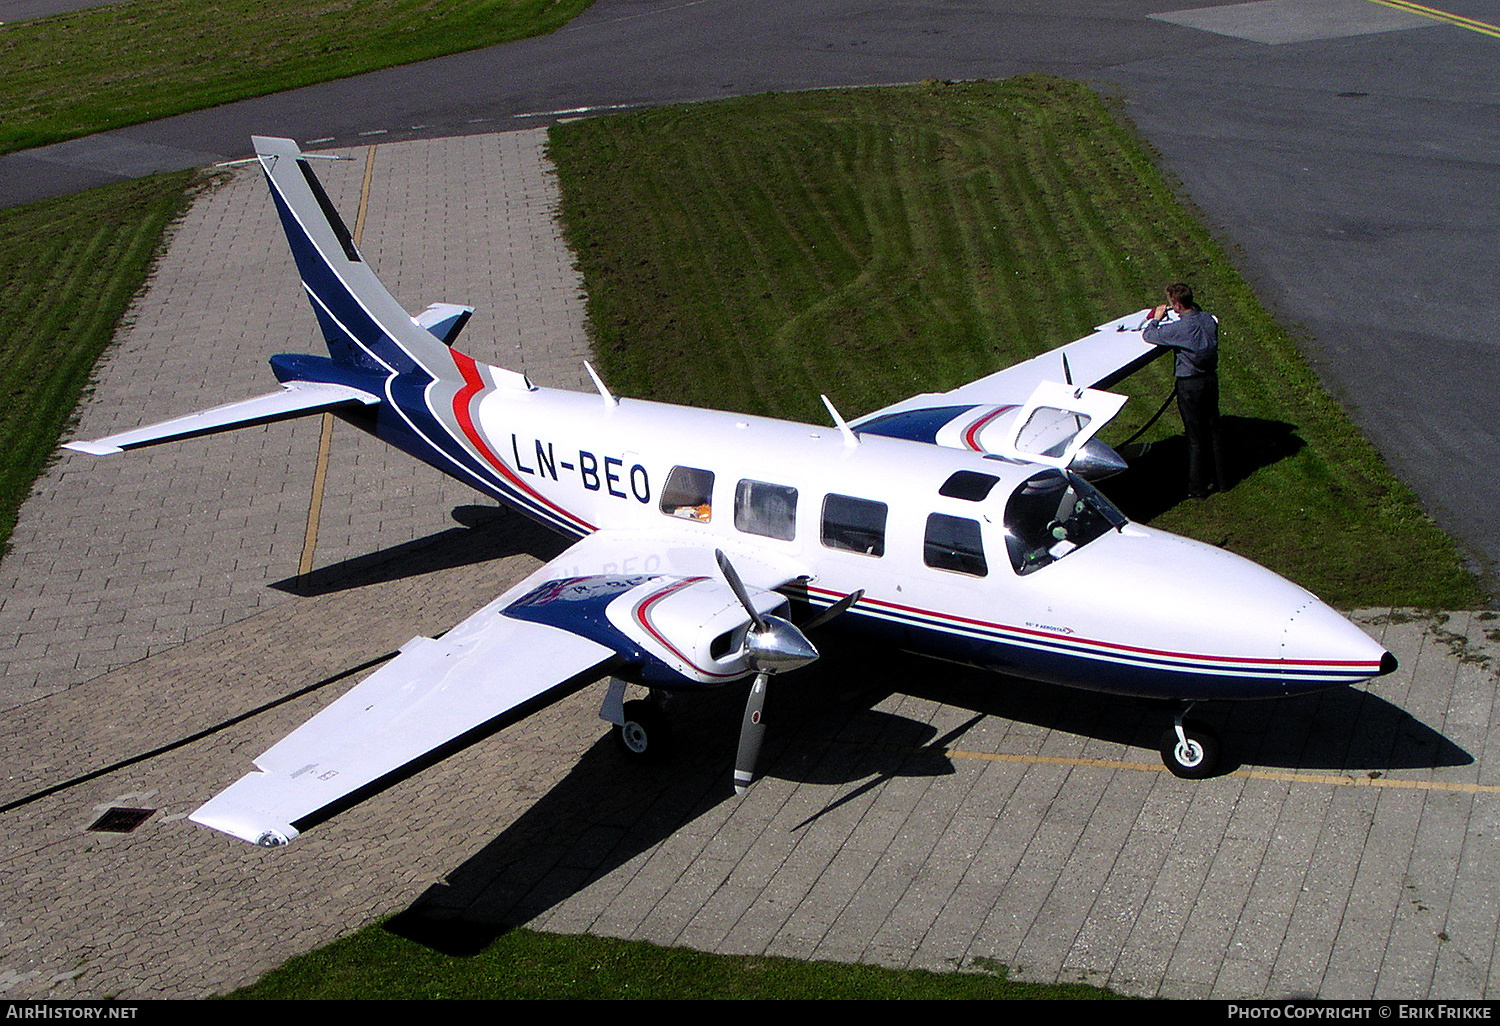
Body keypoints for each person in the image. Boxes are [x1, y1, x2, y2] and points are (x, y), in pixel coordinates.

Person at [1143, 283, 1227, 498]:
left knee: (1195, 437)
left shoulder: (1180, 329)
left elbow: (1150, 335)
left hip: (1190, 385)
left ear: (1177, 305)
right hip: (1210, 380)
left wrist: (1157, 318)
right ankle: (1222, 480)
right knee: (1214, 431)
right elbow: (1199, 317)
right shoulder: (1208, 319)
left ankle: (1197, 489)